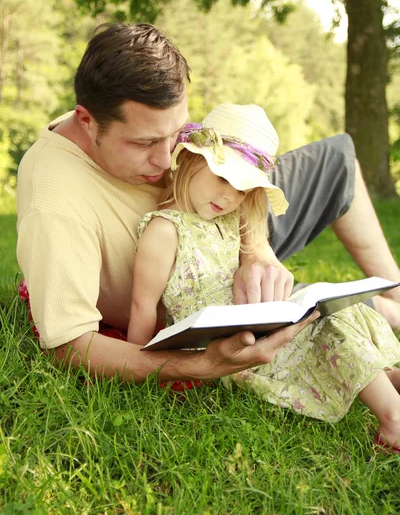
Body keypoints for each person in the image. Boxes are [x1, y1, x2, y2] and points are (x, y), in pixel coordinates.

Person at [16, 22, 400, 386]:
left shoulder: (141, 119)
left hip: (225, 217)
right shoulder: (55, 201)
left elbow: (225, 176)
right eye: (145, 144)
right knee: (337, 315)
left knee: (337, 161)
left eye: (177, 133)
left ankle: (394, 294)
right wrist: (201, 365)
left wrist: (257, 253)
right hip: (195, 285)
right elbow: (71, 346)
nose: (169, 160)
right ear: (86, 121)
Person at [128, 103, 400, 452]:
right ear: (193, 159)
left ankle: (386, 381)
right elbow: (143, 306)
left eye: (242, 190)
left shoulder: (228, 220)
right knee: (322, 329)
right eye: (223, 178)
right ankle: (393, 418)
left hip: (255, 323)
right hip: (230, 348)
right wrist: (138, 373)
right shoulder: (165, 231)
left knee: (332, 314)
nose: (229, 197)